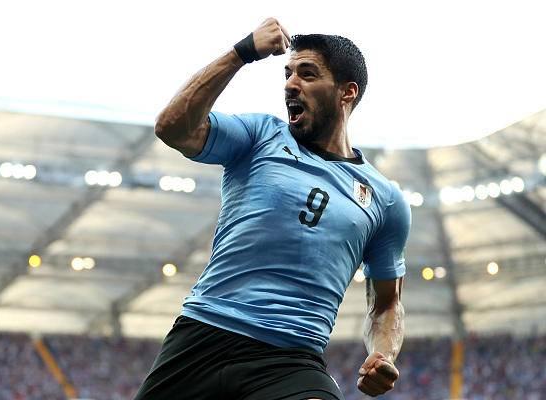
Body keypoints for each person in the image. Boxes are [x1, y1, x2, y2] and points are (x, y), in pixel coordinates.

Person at [133, 18, 411, 400]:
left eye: (307, 74)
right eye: (288, 74)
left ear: (347, 92)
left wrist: (383, 353)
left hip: (290, 360)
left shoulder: (385, 199)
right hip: (203, 336)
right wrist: (241, 53)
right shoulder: (260, 135)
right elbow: (173, 128)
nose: (290, 84)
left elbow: (387, 303)